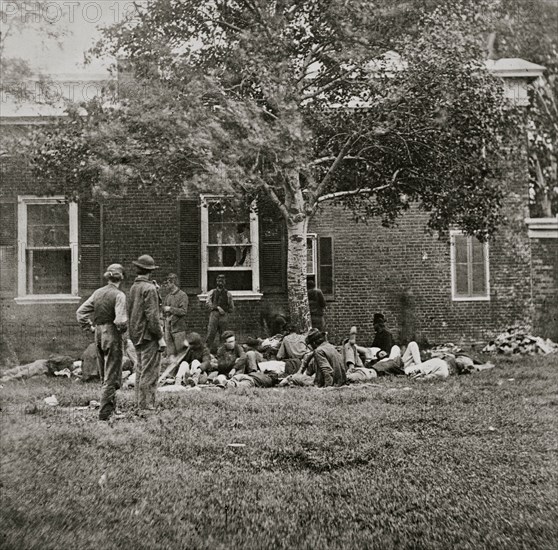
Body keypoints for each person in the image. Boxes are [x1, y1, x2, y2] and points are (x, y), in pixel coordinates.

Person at [76, 263, 127, 421]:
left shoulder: (97, 293)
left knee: (105, 374)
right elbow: (120, 321)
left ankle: (112, 409)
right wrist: (122, 331)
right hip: (112, 333)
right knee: (112, 374)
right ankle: (105, 414)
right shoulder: (119, 295)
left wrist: (90, 328)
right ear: (121, 278)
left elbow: (81, 313)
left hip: (98, 333)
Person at [128, 254, 166, 413]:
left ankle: (139, 404)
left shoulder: (134, 287)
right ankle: (147, 408)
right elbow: (153, 316)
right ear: (150, 271)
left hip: (137, 335)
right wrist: (160, 338)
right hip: (149, 336)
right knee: (150, 373)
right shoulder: (149, 288)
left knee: (140, 371)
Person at [162, 273, 189, 361]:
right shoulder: (168, 296)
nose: (166, 286)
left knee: (180, 353)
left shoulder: (182, 295)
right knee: (171, 354)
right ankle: (171, 373)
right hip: (168, 328)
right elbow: (164, 309)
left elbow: (183, 311)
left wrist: (170, 309)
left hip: (178, 329)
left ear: (173, 283)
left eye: (168, 283)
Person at [206, 274, 235, 352]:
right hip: (214, 315)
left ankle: (222, 352)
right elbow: (208, 304)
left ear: (225, 282)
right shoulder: (212, 292)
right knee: (211, 333)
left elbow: (231, 308)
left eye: (222, 281)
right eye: (219, 281)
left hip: (223, 316)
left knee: (223, 334)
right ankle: (207, 351)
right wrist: (217, 308)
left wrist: (225, 310)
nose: (220, 283)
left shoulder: (228, 294)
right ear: (216, 282)